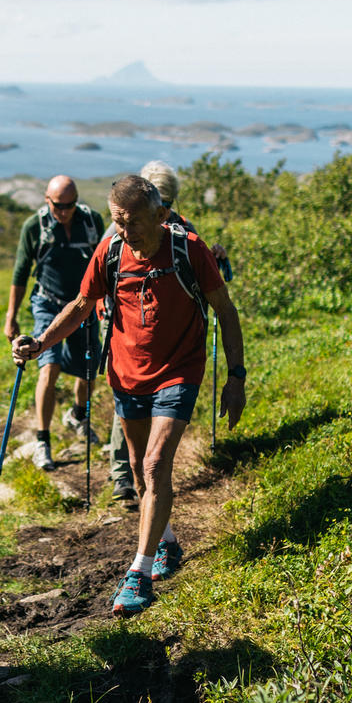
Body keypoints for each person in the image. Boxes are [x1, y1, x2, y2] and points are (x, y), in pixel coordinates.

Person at [14, 174, 244, 618]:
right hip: (125, 373)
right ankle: (168, 543)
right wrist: (41, 343)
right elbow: (82, 306)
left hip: (179, 370)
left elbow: (226, 312)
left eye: (133, 222)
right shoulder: (112, 250)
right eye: (118, 220)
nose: (124, 230)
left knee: (157, 464)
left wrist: (236, 378)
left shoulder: (189, 249)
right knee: (139, 470)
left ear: (161, 215)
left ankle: (137, 572)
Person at [107, 160, 198, 506]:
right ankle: (123, 476)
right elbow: (96, 282)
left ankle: (144, 483)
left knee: (152, 453)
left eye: (170, 204)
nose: (168, 210)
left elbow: (200, 268)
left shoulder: (182, 231)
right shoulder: (121, 230)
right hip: (122, 324)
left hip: (169, 348)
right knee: (128, 406)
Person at [5, 175, 104, 470]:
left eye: (70, 205)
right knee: (48, 366)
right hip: (47, 303)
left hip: (83, 306)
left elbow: (104, 262)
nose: (65, 211)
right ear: (47, 200)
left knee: (87, 373)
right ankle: (42, 441)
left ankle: (76, 415)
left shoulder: (92, 221)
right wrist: (11, 316)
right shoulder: (34, 226)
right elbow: (21, 272)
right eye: (59, 206)